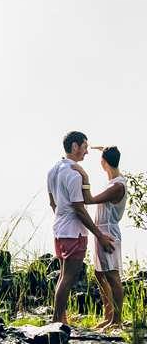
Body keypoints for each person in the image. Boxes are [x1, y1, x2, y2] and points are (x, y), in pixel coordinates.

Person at [47, 131, 115, 324]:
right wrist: (99, 235)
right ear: (75, 146)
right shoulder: (75, 174)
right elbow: (79, 208)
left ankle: (61, 319)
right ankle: (56, 321)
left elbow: (53, 203)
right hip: (74, 232)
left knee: (63, 276)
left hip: (59, 230)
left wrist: (62, 221)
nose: (86, 152)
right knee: (68, 278)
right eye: (85, 147)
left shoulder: (53, 170)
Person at [73, 146, 126, 330]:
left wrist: (84, 176)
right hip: (101, 231)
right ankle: (108, 314)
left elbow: (89, 199)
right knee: (99, 273)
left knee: (112, 275)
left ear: (104, 163)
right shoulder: (113, 180)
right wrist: (103, 148)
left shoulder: (117, 186)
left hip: (108, 233)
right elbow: (110, 154)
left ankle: (117, 320)